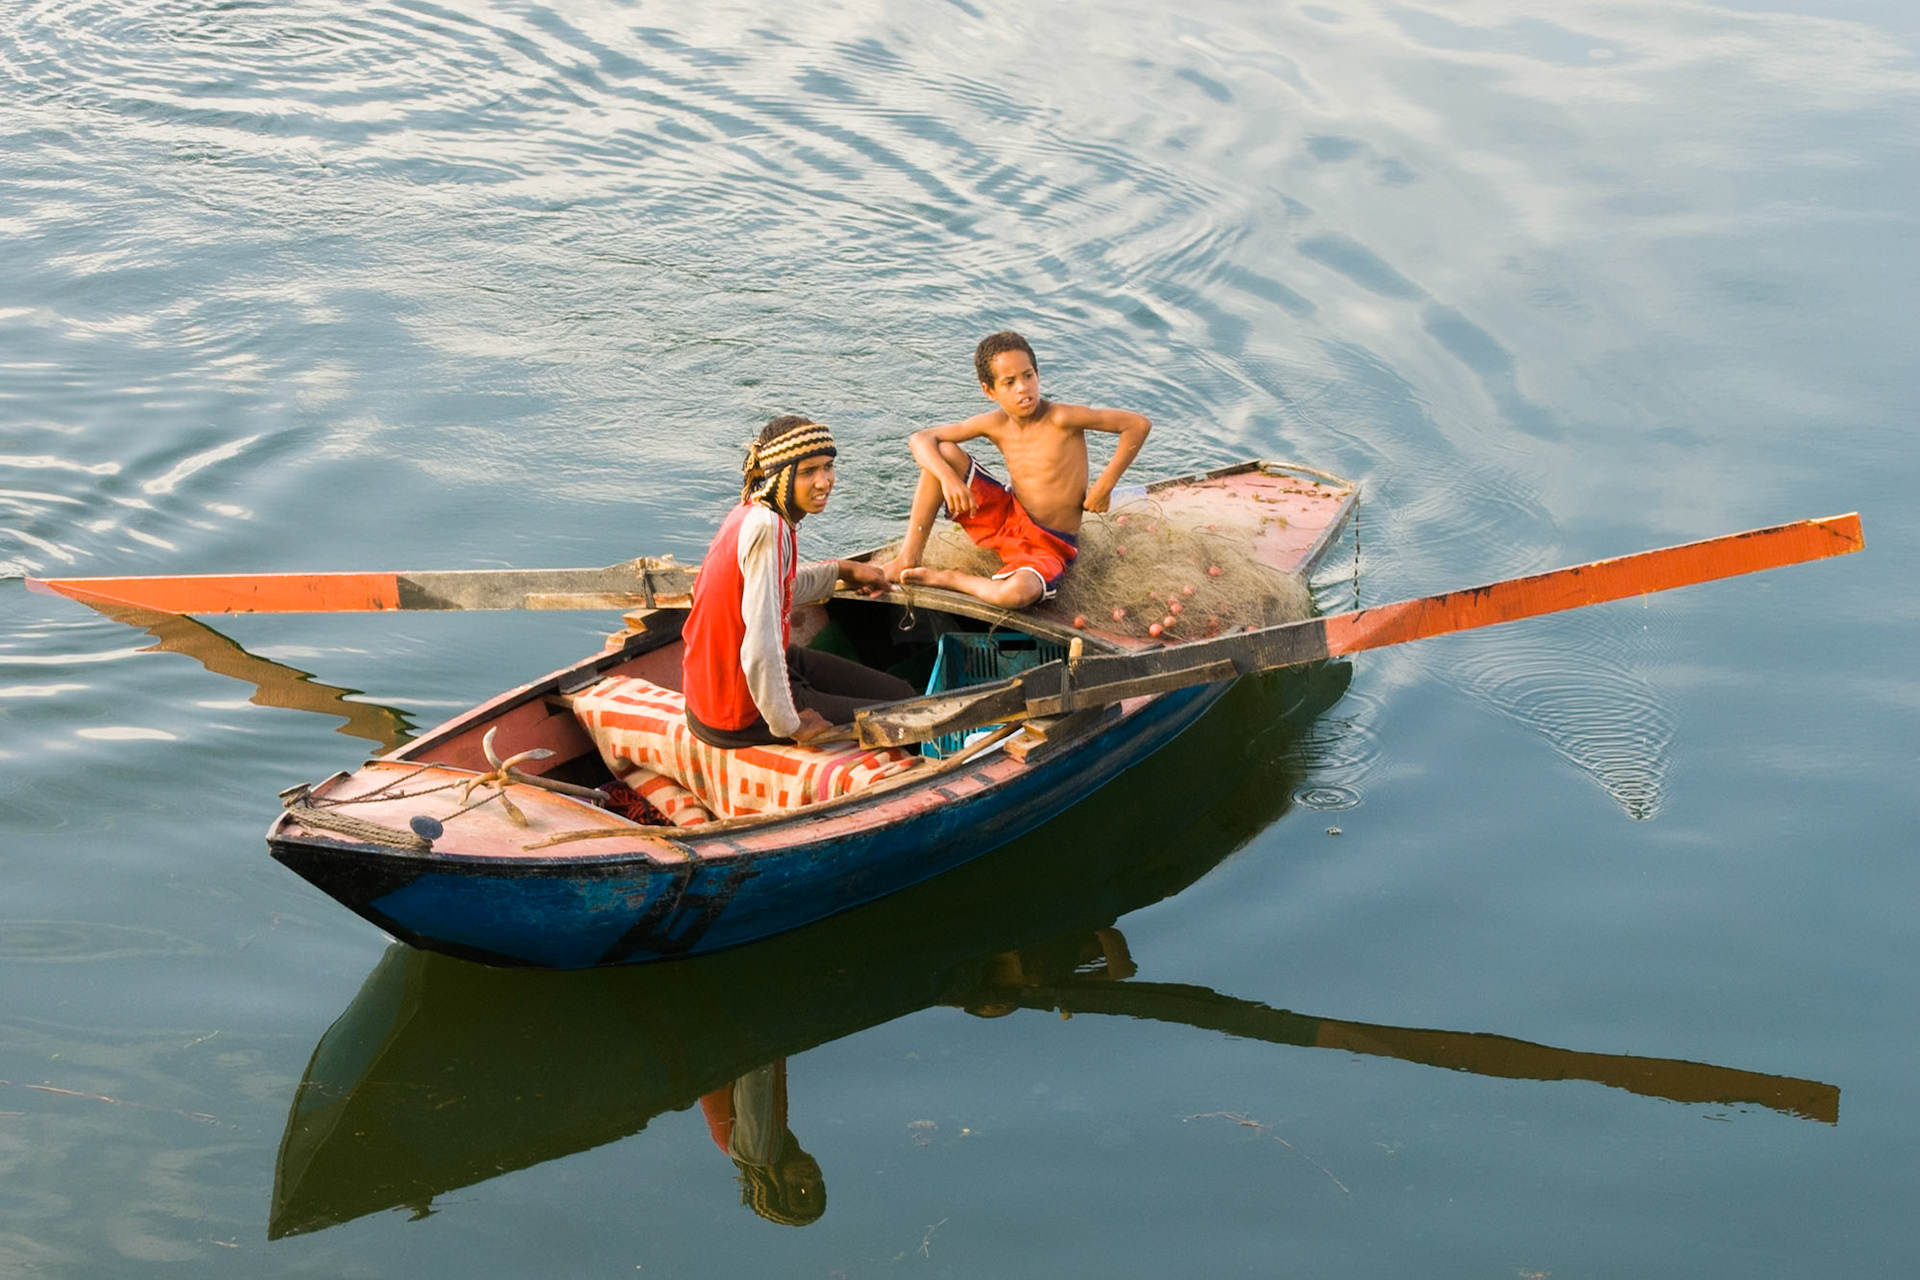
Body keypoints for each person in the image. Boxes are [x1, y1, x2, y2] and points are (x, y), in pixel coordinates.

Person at [681, 415, 913, 747]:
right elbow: (760, 650)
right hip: (735, 713)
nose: (824, 482)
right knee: (904, 713)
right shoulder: (768, 529)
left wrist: (841, 570)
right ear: (779, 476)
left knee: (901, 693)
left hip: (714, 693)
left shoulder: (751, 512)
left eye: (828, 467)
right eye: (807, 472)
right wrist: (790, 723)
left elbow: (777, 589)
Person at [880, 331, 1151, 607]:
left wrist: (1104, 487)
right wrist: (949, 479)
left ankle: (951, 579)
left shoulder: (1062, 418)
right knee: (943, 453)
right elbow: (921, 439)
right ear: (989, 391)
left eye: (1028, 376)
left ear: (1038, 375)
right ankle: (908, 556)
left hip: (1049, 544)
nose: (1023, 387)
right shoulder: (995, 423)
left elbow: (1137, 425)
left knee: (1014, 595)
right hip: (1008, 518)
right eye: (1009, 382)